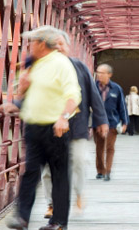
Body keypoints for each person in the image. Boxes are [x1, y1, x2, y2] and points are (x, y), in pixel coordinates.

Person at [3, 25, 81, 230]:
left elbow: (73, 94)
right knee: (30, 172)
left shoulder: (61, 64)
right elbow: (35, 94)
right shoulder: (36, 64)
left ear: (41, 44)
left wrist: (64, 117)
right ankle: (22, 218)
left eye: (32, 43)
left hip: (54, 129)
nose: (29, 47)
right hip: (33, 127)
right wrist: (17, 103)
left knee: (59, 175)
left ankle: (58, 222)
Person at [40, 30, 109, 220]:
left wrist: (101, 120)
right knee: (48, 169)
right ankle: (51, 204)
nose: (59, 48)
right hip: (49, 128)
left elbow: (94, 95)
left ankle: (78, 194)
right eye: (55, 45)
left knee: (79, 162)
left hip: (77, 127)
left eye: (62, 44)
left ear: (68, 47)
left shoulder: (80, 67)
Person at [94, 64, 129, 181]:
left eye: (102, 73)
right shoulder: (93, 87)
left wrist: (125, 122)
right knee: (99, 148)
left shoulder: (116, 88)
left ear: (109, 74)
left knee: (110, 147)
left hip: (112, 123)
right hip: (97, 122)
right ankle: (100, 170)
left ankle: (107, 171)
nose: (99, 75)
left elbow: (122, 107)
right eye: (98, 72)